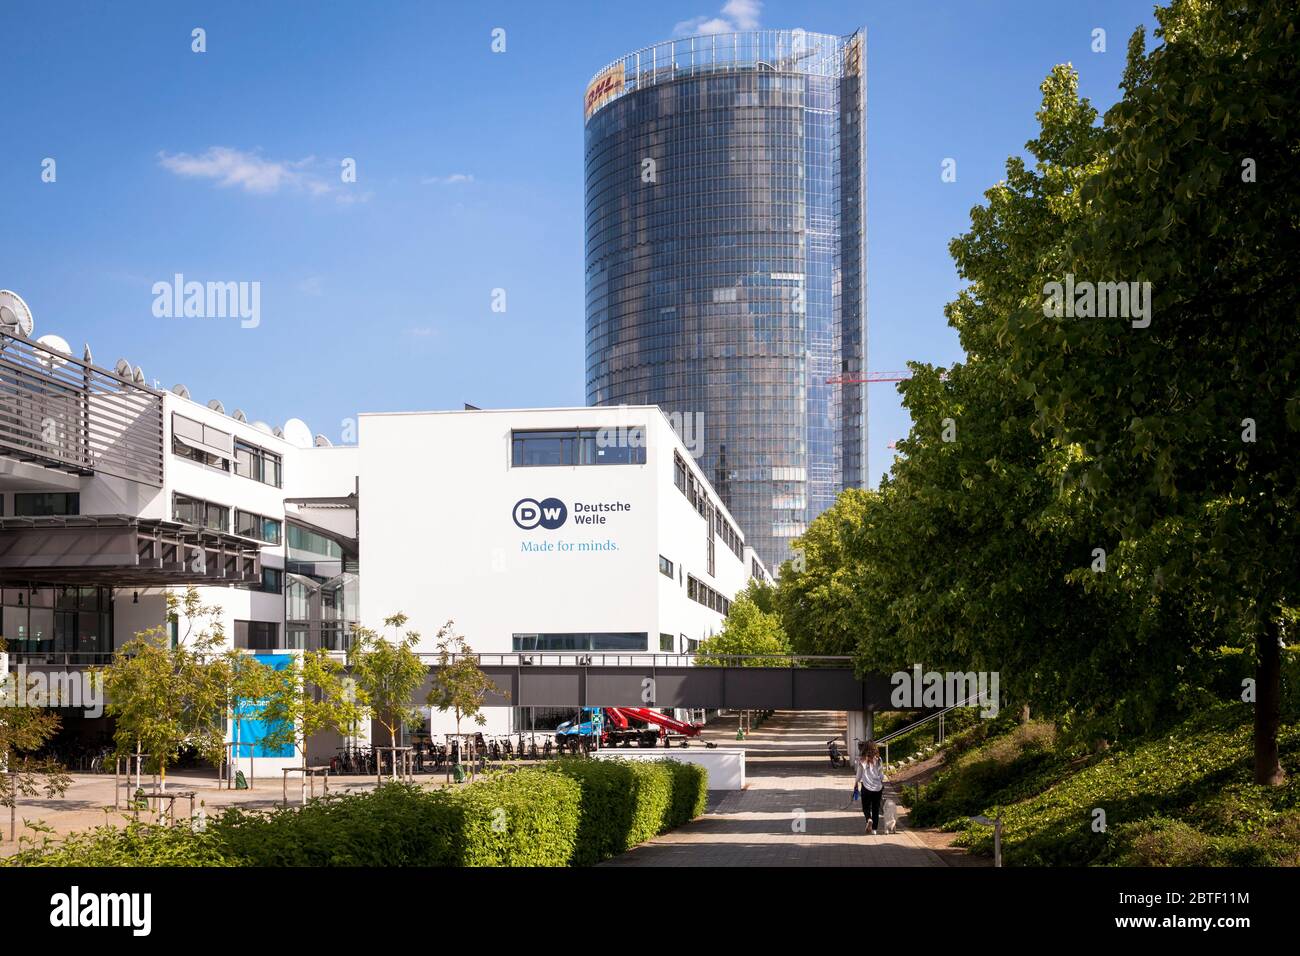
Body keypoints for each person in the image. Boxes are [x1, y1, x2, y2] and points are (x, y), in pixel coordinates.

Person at [853, 741, 886, 835]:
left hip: (866, 787)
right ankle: (874, 830)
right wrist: (880, 780)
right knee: (876, 808)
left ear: (865, 749)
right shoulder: (879, 759)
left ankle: (869, 819)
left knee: (866, 807)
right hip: (877, 788)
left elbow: (859, 774)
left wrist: (856, 783)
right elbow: (881, 775)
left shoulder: (862, 760)